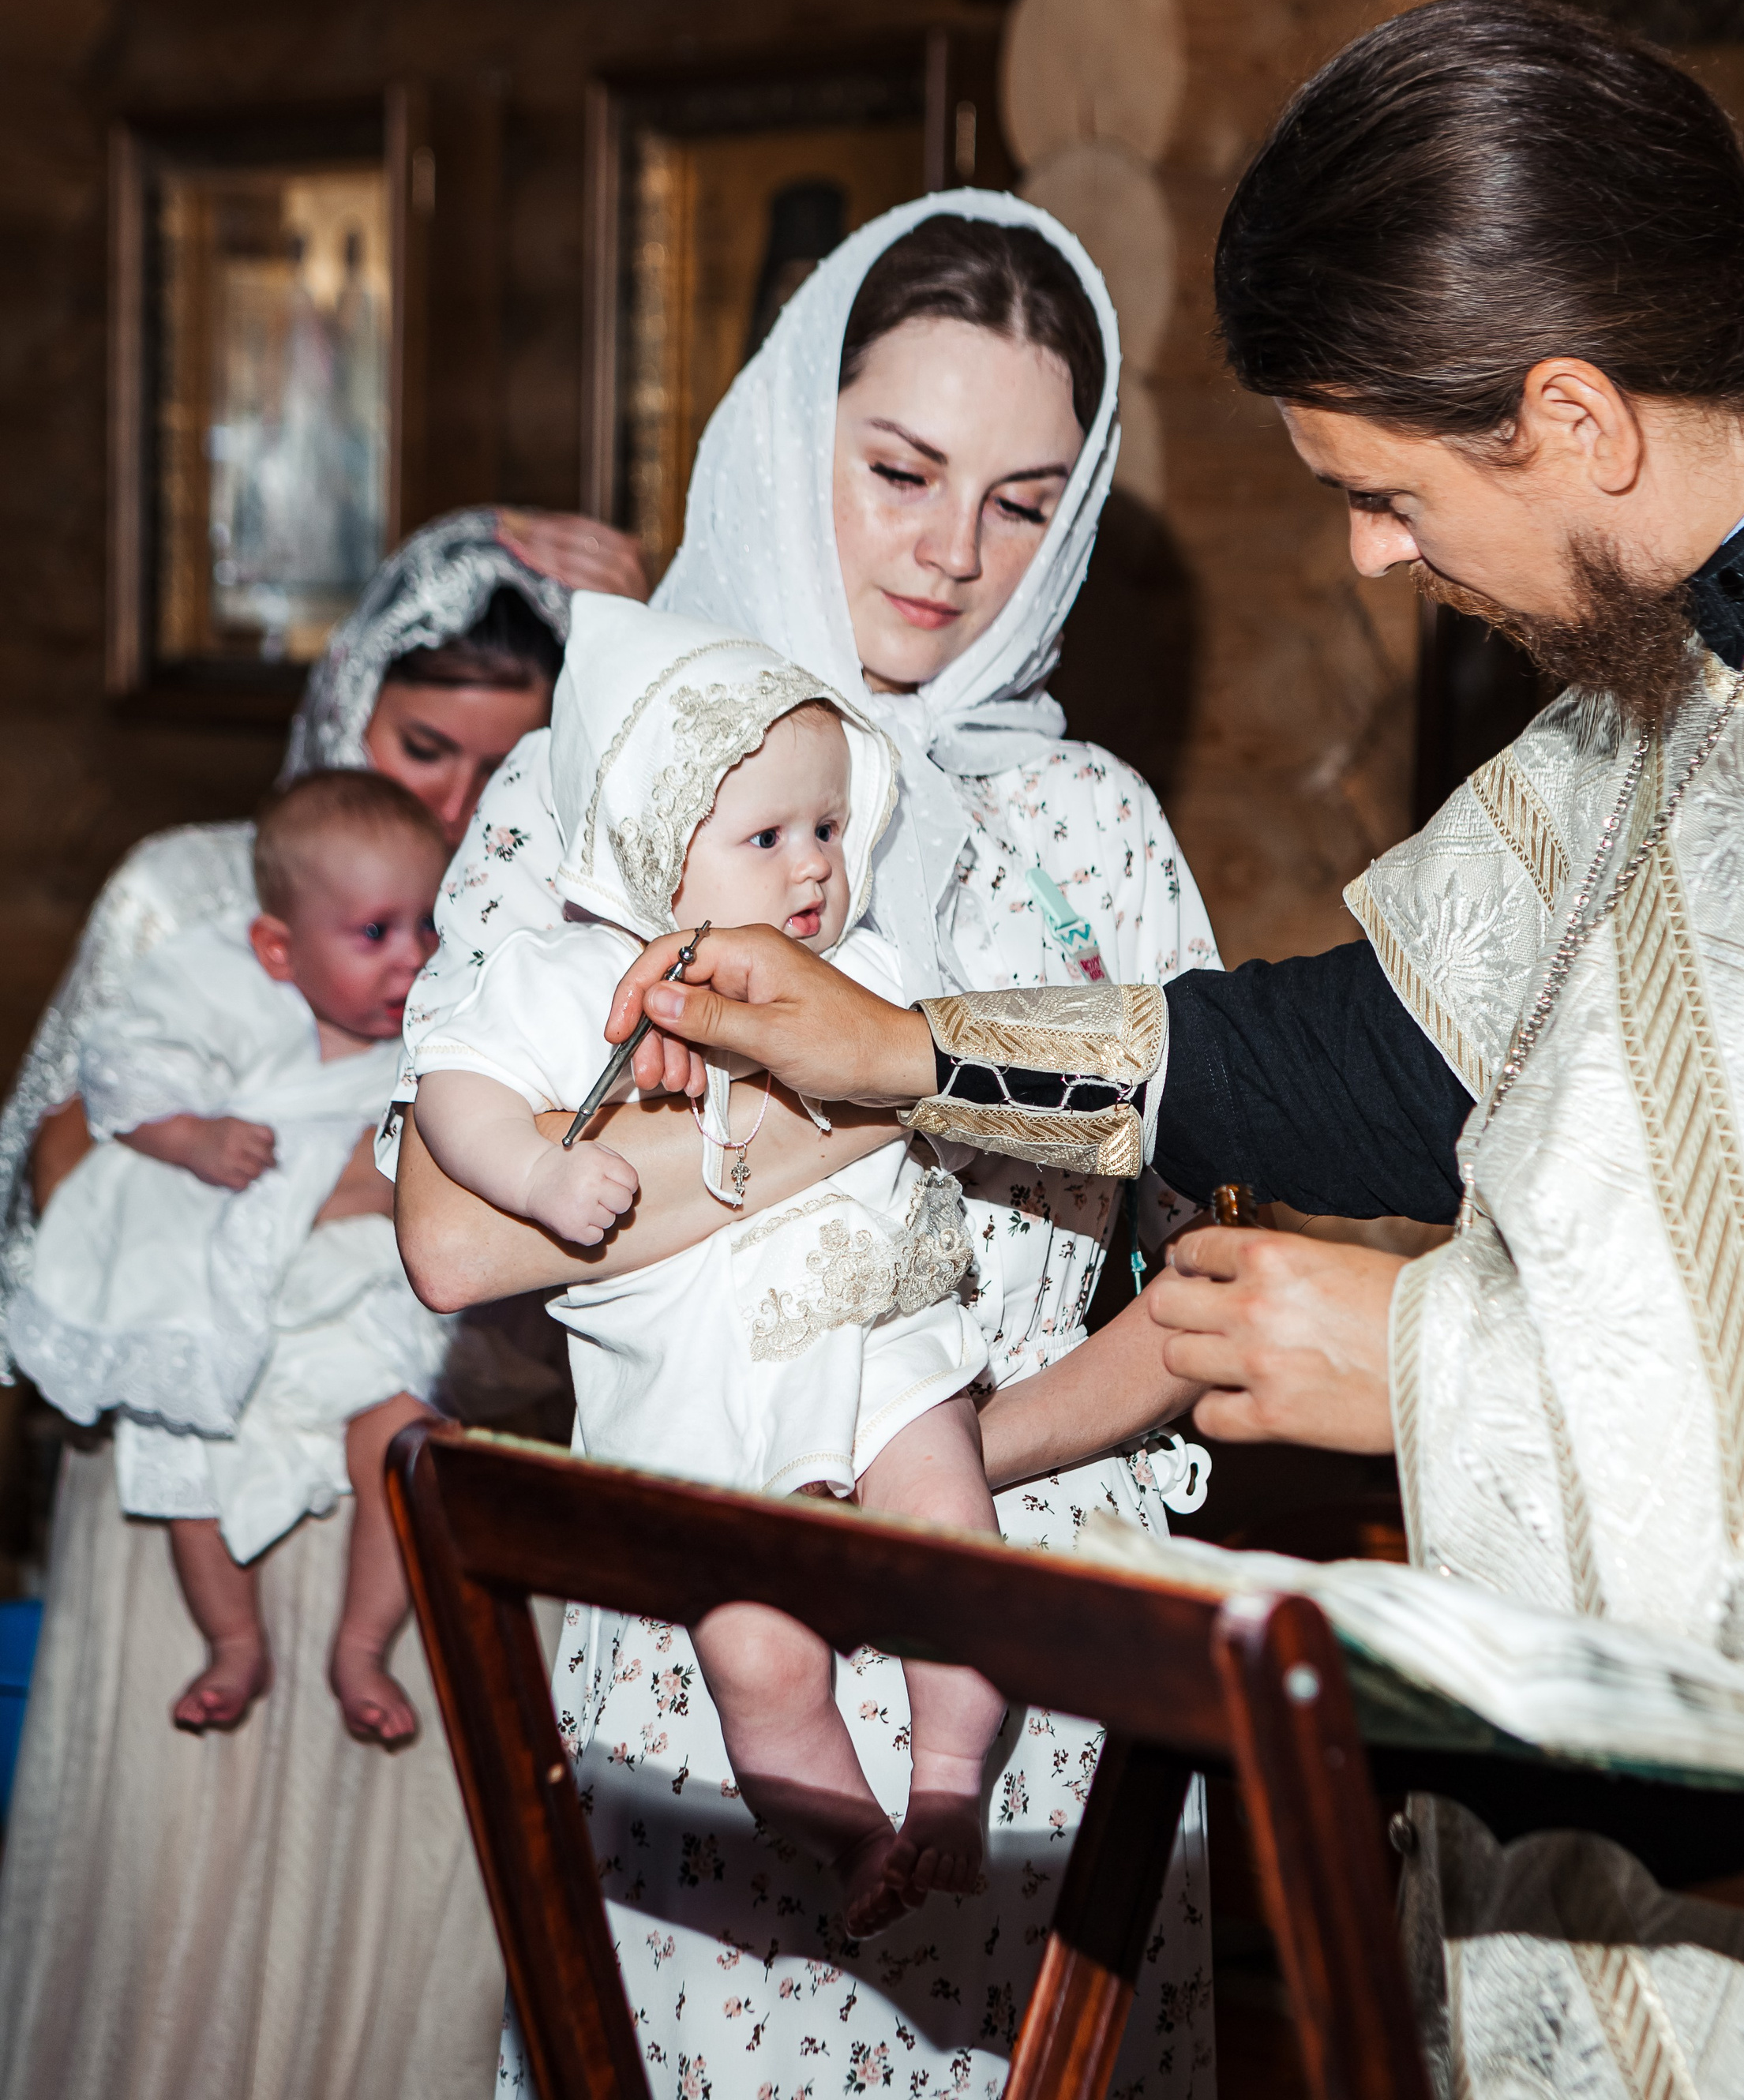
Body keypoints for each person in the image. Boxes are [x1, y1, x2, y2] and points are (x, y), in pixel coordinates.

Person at [602, 0, 1744, 2094]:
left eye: (1381, 489)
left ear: (1572, 416)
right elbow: (1397, 1060)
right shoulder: (1723, 637)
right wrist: (912, 1050)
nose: (1369, 553)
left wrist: (1425, 1363)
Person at [392, 195, 1219, 2100]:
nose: (951, 553)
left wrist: (943, 1471)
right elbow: (454, 1233)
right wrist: (861, 1108)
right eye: (899, 471)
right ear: (789, 433)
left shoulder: (1092, 827)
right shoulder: (609, 772)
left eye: (1021, 502)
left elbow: (1192, 1281)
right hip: (715, 1612)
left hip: (1031, 1625)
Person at [0, 505, 646, 2100]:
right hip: (188, 1486)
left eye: (509, 763)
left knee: (395, 1965)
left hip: (426, 1491)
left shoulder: (579, 953)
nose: (455, 804)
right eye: (423, 746)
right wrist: (305, 1182)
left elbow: (603, 1269)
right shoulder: (185, 890)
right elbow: (52, 1171)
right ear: (351, 698)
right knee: (167, 1949)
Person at [413, 598, 996, 1929]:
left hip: (869, 1326)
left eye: (830, 829)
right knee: (758, 1660)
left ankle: (951, 1784)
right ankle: (851, 1838)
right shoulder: (572, 977)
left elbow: (932, 1061)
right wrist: (540, 1173)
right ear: (650, 843)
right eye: (767, 838)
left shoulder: (860, 965)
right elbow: (457, 1089)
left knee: (956, 1551)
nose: (814, 868)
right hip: (702, 1383)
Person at [17, 771, 452, 1743]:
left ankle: (361, 1646)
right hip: (224, 1292)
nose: (412, 957)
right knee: (181, 1443)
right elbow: (122, 1073)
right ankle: (232, 1641)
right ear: (277, 947)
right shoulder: (223, 995)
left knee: (404, 1437)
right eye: (375, 932)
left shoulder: (435, 1030)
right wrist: (192, 1137)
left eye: (427, 924)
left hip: (349, 1301)